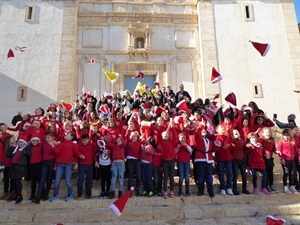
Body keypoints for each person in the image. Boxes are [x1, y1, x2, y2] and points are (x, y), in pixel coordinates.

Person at [50, 132, 85, 202]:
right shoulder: (61, 144)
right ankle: (55, 195)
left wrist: (80, 155)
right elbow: (57, 152)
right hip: (60, 164)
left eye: (67, 134)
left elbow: (77, 152)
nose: (65, 135)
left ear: (71, 137)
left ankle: (70, 195)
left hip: (68, 165)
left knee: (68, 180)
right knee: (57, 181)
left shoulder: (73, 144)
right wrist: (53, 146)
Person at [7, 134, 31, 204]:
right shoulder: (15, 149)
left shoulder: (25, 149)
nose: (20, 143)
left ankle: (19, 195)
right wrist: (12, 147)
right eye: (19, 142)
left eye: (22, 142)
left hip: (20, 167)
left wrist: (28, 145)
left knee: (17, 181)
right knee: (13, 181)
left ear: (24, 143)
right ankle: (15, 194)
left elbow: (28, 153)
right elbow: (8, 154)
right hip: (13, 166)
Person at [194, 127, 216, 198]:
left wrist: (218, 145)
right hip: (200, 159)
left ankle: (211, 191)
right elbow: (197, 134)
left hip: (208, 160)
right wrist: (200, 127)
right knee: (200, 176)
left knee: (209, 176)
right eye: (202, 131)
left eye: (204, 131)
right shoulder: (198, 139)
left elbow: (213, 149)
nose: (203, 131)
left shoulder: (209, 141)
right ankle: (200, 190)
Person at [75, 133, 99, 198]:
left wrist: (96, 162)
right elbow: (77, 155)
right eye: (83, 140)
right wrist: (76, 163)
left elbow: (93, 155)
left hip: (89, 165)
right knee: (80, 180)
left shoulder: (91, 145)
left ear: (88, 139)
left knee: (89, 180)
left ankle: (88, 193)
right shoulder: (79, 146)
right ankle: (79, 193)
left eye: (85, 140)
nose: (84, 142)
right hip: (81, 165)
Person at [35, 132, 56, 204]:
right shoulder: (43, 144)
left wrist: (53, 145)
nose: (47, 139)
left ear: (52, 138)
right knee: (42, 179)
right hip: (44, 162)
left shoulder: (54, 144)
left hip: (51, 162)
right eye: (46, 138)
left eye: (49, 138)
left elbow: (56, 153)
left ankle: (46, 194)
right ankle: (38, 195)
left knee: (49, 179)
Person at [258, 127, 280, 193]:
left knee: (271, 172)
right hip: (264, 158)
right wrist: (265, 151)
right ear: (263, 133)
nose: (268, 134)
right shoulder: (261, 139)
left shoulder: (272, 140)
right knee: (266, 173)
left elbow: (273, 149)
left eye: (269, 132)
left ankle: (271, 185)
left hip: (270, 158)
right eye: (266, 132)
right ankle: (265, 186)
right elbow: (260, 147)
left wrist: (277, 151)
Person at [214, 124, 234, 195]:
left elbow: (230, 146)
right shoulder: (216, 138)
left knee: (230, 172)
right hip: (220, 158)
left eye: (223, 127)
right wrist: (223, 148)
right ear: (217, 130)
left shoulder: (226, 137)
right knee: (221, 173)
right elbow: (216, 148)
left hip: (228, 157)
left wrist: (229, 146)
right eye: (221, 127)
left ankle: (228, 187)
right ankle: (222, 187)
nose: (223, 128)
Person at [277, 128, 298, 194]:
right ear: (283, 136)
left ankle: (291, 186)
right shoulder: (281, 142)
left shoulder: (293, 142)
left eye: (288, 135)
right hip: (285, 161)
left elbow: (296, 151)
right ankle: (285, 187)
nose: (287, 137)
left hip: (292, 160)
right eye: (285, 135)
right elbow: (279, 151)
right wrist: (281, 159)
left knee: (292, 173)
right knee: (286, 173)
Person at [230, 129, 250, 195]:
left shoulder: (242, 141)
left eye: (237, 132)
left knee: (244, 174)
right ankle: (234, 189)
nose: (236, 133)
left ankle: (244, 188)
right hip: (235, 160)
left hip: (242, 160)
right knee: (235, 174)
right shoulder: (233, 141)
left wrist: (248, 147)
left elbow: (245, 148)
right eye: (234, 133)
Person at [125, 131, 142, 196]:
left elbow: (141, 152)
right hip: (130, 160)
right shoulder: (128, 143)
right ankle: (129, 191)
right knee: (130, 176)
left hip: (137, 160)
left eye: (134, 136)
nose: (133, 137)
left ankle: (137, 189)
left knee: (138, 176)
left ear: (137, 137)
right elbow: (126, 137)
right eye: (132, 136)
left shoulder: (139, 143)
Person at [28, 136, 42, 201]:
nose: (35, 142)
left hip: (39, 164)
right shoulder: (29, 147)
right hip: (32, 165)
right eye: (33, 141)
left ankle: (41, 193)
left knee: (39, 180)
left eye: (36, 141)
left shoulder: (40, 147)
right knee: (33, 181)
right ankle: (32, 194)